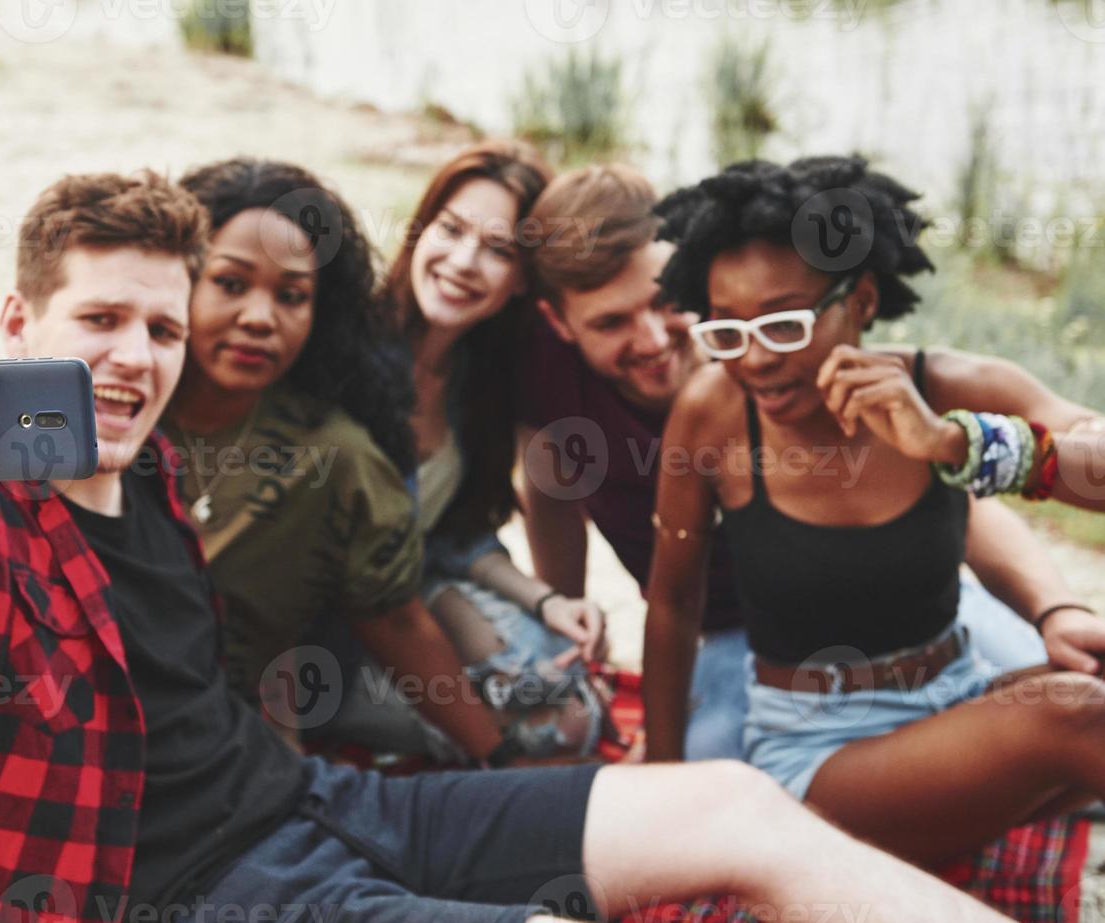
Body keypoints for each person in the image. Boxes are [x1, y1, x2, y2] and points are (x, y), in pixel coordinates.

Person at [0, 168, 1096, 923]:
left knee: (725, 802)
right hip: (169, 911)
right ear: (18, 318)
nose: (134, 355)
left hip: (309, 800)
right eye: (97, 321)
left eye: (162, 322)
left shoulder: (147, 450)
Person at [515, 161, 1096, 761]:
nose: (655, 341)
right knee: (708, 785)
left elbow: (956, 506)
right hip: (754, 655)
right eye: (611, 323)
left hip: (915, 617)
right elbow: (646, 577)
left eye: (667, 305)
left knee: (1075, 686)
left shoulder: (886, 380)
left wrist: (1052, 604)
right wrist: (563, 613)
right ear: (559, 324)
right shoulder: (634, 400)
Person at [640, 155, 1105, 867]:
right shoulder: (713, 415)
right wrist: (665, 788)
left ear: (858, 301)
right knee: (1078, 714)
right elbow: (673, 601)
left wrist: (953, 441)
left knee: (1082, 696)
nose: (756, 360)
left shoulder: (943, 385)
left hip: (960, 695)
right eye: (727, 332)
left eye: (784, 324)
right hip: (819, 756)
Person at [307, 140, 609, 760]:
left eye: (499, 250)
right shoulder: (342, 354)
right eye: (452, 229)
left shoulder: (481, 380)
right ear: (421, 231)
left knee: (573, 703)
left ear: (524, 279)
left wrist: (548, 601)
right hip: (325, 642)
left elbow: (451, 536)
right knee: (544, 736)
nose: (465, 261)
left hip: (417, 596)